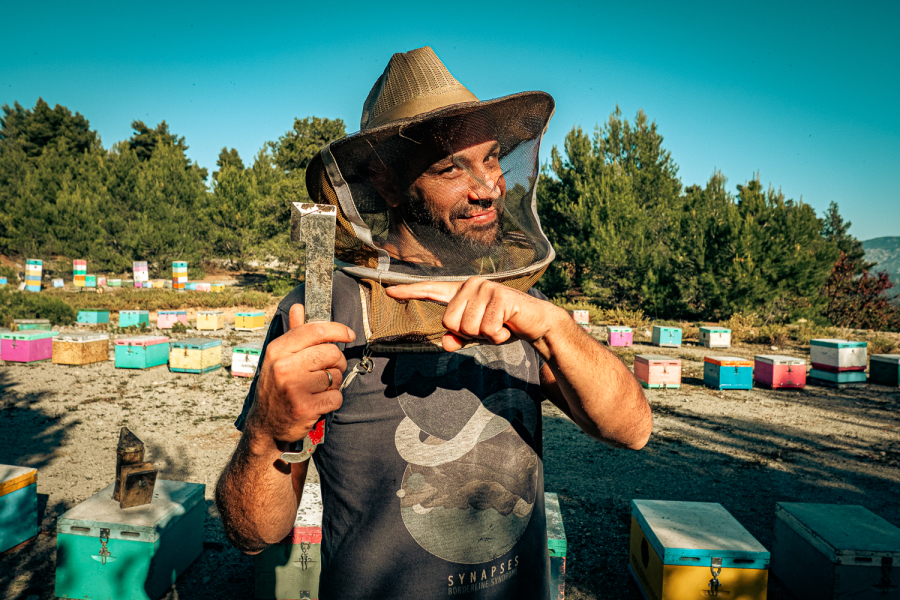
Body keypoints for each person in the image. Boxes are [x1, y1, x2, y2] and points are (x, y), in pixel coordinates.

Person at [216, 46, 652, 599]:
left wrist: (555, 328)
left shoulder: (520, 301)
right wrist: (264, 432)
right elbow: (254, 534)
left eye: (492, 159)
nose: (489, 187)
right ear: (389, 183)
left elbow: (632, 430)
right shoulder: (324, 309)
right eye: (452, 168)